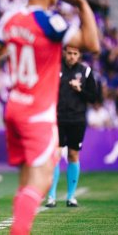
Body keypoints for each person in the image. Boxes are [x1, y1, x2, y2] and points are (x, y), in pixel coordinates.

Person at [0, 0, 100, 234]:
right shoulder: (51, 21)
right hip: (38, 112)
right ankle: (19, 231)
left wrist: (22, 45)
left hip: (14, 106)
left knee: (26, 180)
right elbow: (92, 44)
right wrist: (81, 4)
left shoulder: (10, 18)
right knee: (43, 178)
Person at [45, 46, 97, 208]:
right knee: (55, 155)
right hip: (57, 118)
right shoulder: (55, 68)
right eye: (69, 53)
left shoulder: (86, 72)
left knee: (73, 155)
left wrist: (80, 89)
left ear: (79, 55)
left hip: (77, 119)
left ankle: (71, 196)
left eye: (75, 54)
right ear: (64, 53)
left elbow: (94, 97)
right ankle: (51, 196)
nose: (72, 56)